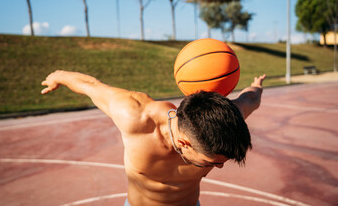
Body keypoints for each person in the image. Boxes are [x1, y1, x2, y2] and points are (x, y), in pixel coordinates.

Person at [41, 70, 266, 206]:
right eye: (211, 162)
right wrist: (58, 76)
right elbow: (92, 86)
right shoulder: (136, 117)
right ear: (183, 143)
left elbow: (250, 99)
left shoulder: (227, 121)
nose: (218, 168)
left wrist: (256, 84)